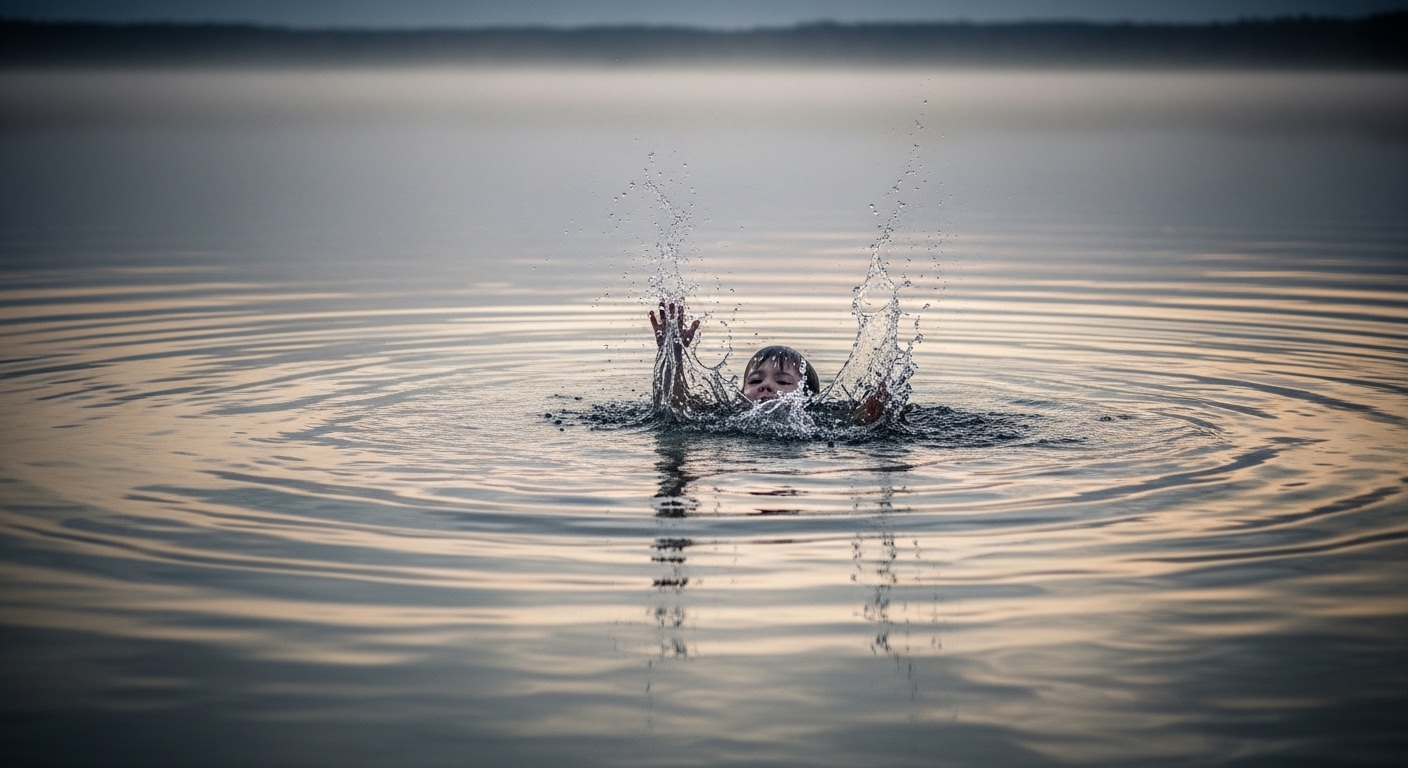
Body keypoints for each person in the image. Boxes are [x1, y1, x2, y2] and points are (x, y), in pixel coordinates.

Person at [649, 301, 892, 425]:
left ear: (807, 398)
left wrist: (876, 411)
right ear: (742, 391)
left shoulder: (819, 421)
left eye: (782, 381)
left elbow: (856, 423)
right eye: (755, 380)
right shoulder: (727, 416)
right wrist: (675, 355)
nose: (766, 386)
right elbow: (677, 408)